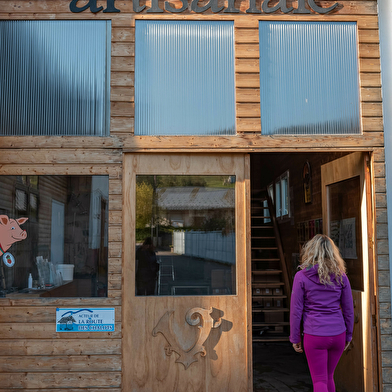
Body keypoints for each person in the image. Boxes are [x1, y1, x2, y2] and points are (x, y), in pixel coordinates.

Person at [290, 234, 354, 392]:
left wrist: (295, 337)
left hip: (315, 334)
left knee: (319, 380)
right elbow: (348, 309)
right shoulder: (341, 276)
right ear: (333, 253)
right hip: (338, 333)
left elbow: (296, 310)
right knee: (329, 376)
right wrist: (349, 335)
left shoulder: (301, 276)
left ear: (311, 251)